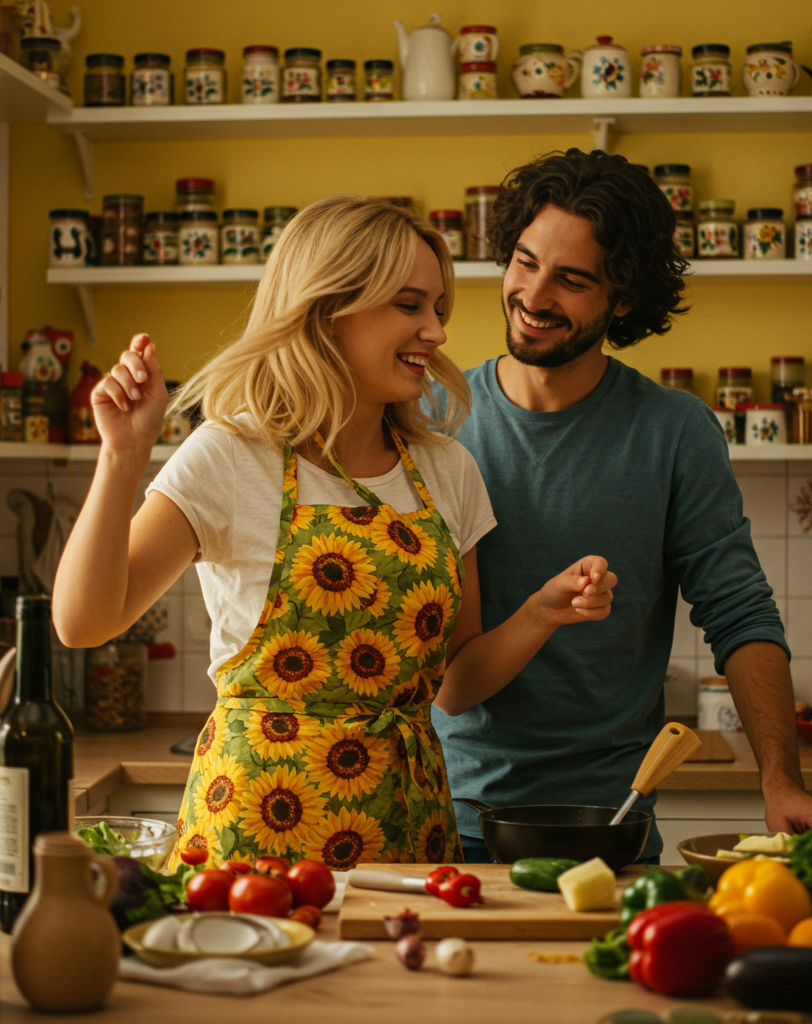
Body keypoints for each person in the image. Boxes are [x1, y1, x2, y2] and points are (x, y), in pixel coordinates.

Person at [52, 193, 617, 870]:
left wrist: (540, 614)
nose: (436, 332)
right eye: (409, 306)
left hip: (406, 837)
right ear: (326, 312)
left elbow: (454, 684)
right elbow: (83, 623)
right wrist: (122, 457)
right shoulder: (231, 456)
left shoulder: (447, 469)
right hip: (254, 847)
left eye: (438, 309)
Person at [430, 149, 812, 864]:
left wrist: (780, 780)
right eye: (524, 262)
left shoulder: (674, 431)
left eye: (571, 279)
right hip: (441, 813)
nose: (533, 294)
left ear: (622, 298)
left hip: (609, 823)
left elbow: (739, 612)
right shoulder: (429, 415)